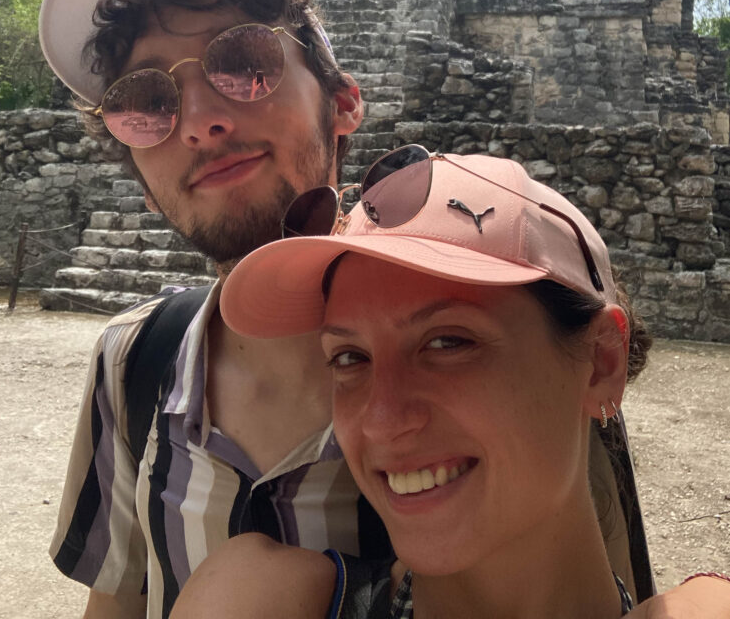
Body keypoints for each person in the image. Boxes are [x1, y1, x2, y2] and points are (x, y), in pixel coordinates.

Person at [40, 0, 729, 619]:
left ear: (342, 102)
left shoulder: (512, 324)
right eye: (144, 105)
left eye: (243, 63)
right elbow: (119, 597)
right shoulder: (134, 360)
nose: (198, 122)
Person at [178, 147, 730, 618]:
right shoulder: (257, 598)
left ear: (602, 363)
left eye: (448, 342)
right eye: (349, 357)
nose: (382, 419)